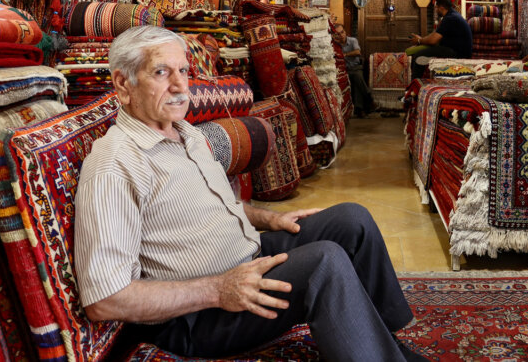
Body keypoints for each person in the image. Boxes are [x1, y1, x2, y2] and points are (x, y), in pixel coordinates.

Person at [74, 26, 428, 361]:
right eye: (161, 73)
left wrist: (268, 217)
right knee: (325, 263)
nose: (181, 86)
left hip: (247, 259)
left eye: (183, 71)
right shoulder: (114, 165)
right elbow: (105, 299)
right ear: (123, 84)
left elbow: (212, 203)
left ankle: (384, 341)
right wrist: (218, 289)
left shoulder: (186, 133)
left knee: (353, 220)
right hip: (199, 314)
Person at [407, 0, 473, 79]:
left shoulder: (450, 18)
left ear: (442, 7)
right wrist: (421, 39)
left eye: (436, 7)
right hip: (454, 50)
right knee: (423, 53)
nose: (436, 10)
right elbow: (435, 35)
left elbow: (433, 40)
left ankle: (414, 84)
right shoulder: (452, 15)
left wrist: (419, 41)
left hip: (458, 53)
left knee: (420, 55)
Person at [334, 22, 377, 117]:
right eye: (338, 33)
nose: (341, 35)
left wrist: (344, 55)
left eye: (342, 32)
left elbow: (357, 52)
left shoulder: (353, 40)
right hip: (344, 69)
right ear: (335, 35)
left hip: (356, 67)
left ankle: (366, 100)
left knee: (356, 76)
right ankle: (362, 107)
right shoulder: (336, 45)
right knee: (355, 80)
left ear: (345, 32)